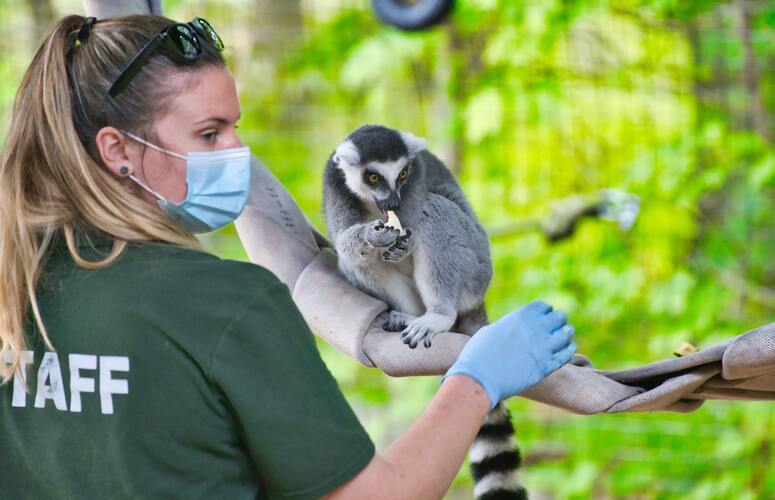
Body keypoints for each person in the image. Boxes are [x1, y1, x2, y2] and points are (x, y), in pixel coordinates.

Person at [0, 14, 576, 499]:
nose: (238, 153)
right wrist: (479, 379)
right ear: (118, 150)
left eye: (234, 128)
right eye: (209, 134)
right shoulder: (226, 303)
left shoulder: (17, 280)